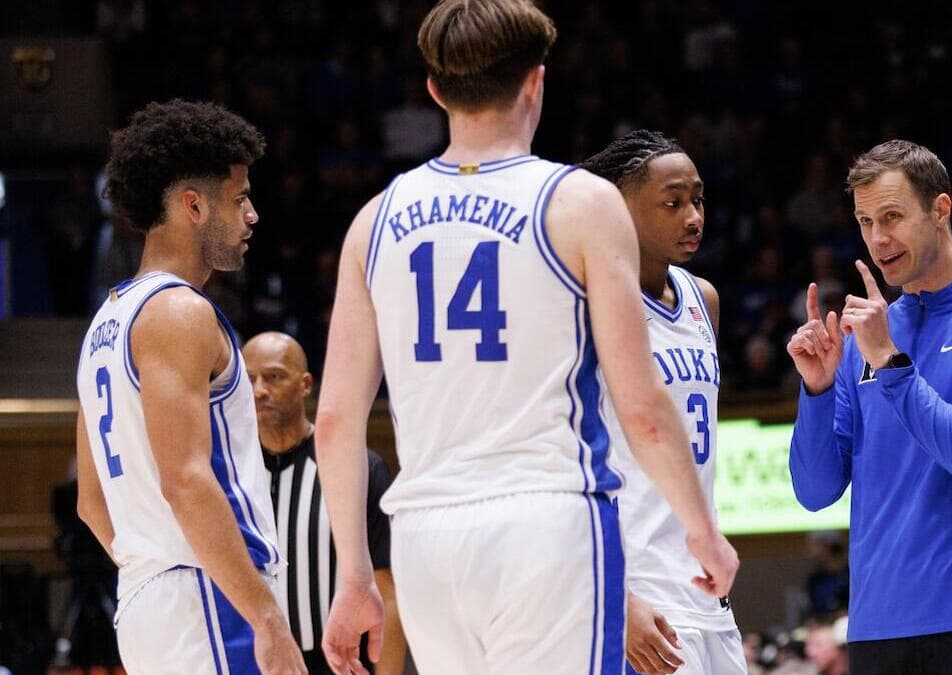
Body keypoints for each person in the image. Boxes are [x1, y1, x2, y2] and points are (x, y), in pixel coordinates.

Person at [314, 2, 738, 674]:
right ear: (536, 81)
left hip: (426, 535)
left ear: (435, 90)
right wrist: (703, 530)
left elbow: (337, 420)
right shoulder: (580, 202)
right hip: (547, 521)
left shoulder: (374, 222)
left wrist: (354, 576)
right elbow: (641, 407)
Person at [787, 139, 952, 674]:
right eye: (865, 222)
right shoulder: (869, 337)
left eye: (892, 217)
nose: (878, 239)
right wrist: (817, 390)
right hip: (877, 628)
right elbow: (814, 492)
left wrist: (890, 364)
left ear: (940, 209)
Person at [74, 100, 305, 674]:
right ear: (194, 205)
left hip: (149, 602)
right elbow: (186, 479)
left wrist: (155, 565)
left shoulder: (105, 324)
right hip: (208, 599)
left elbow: (91, 503)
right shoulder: (178, 311)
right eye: (240, 198)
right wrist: (265, 616)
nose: (252, 215)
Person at [580, 130, 746, 675]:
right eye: (672, 203)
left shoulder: (704, 298)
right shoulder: (587, 307)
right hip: (641, 591)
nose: (693, 217)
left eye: (697, 199)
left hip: (707, 591)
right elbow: (565, 459)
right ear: (619, 209)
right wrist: (615, 596)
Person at [244, 332, 407, 674]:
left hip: (338, 663)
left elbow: (387, 591)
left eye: (273, 377)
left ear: (305, 384)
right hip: (252, 662)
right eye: (249, 379)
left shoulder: (357, 468)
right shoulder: (232, 473)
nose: (259, 390)